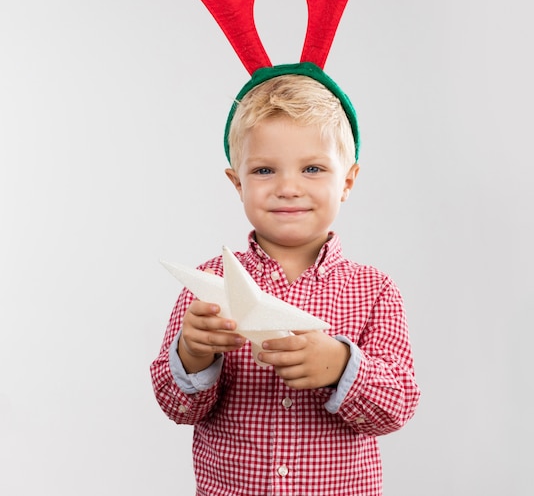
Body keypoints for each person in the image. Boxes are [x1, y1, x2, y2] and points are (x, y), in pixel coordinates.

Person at [150, 66, 420, 496]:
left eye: (312, 169)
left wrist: (342, 366)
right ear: (236, 183)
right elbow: (176, 406)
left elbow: (397, 406)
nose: (288, 188)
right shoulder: (209, 284)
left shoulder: (375, 291)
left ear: (347, 181)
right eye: (263, 171)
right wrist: (193, 354)